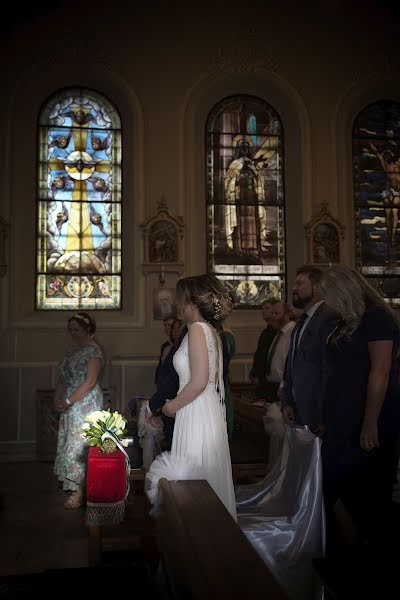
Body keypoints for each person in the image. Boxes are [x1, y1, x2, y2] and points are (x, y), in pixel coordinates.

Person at [318, 265, 400, 555]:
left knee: (365, 491)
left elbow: (380, 372)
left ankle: (370, 551)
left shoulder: (377, 318)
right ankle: (350, 551)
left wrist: (370, 422)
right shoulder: (343, 321)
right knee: (331, 484)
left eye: (328, 294)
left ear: (345, 292)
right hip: (341, 415)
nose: (325, 301)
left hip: (368, 413)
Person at [146, 274, 237, 519]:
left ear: (193, 302)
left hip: (195, 409)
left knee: (195, 478)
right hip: (201, 408)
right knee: (198, 474)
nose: (177, 304)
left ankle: (199, 538)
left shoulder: (197, 329)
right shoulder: (210, 330)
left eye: (180, 298)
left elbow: (198, 381)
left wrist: (171, 406)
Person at [53, 312, 104, 509]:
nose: (73, 333)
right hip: (69, 403)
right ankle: (72, 486)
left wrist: (68, 400)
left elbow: (90, 382)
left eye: (77, 329)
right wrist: (58, 398)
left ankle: (81, 490)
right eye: (71, 329)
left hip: (85, 402)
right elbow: (63, 378)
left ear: (88, 329)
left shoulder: (93, 351)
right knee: (69, 444)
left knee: (80, 445)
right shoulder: (71, 351)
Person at [281, 265, 337, 433]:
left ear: (318, 286)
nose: (293, 288)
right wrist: (287, 402)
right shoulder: (300, 323)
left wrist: (322, 415)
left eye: (299, 283)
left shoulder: (328, 319)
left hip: (316, 412)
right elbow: (291, 365)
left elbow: (327, 369)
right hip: (298, 410)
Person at [370, 141, 400, 246]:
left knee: (394, 212)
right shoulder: (385, 165)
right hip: (388, 191)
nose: (385, 157)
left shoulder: (397, 165)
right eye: (385, 156)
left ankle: (393, 235)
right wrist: (373, 147)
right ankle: (389, 234)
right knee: (388, 214)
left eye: (387, 156)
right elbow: (378, 156)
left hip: (396, 191)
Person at [264, 301, 296, 402]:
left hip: (282, 386)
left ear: (287, 315)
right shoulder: (278, 333)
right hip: (272, 386)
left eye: (276, 313)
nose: (273, 317)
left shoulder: (293, 331)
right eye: (272, 313)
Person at [249, 298, 279, 398]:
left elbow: (270, 356)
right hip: (261, 379)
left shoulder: (277, 332)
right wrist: (254, 373)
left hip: (269, 380)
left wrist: (261, 377)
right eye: (262, 308)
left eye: (267, 308)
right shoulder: (266, 332)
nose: (263, 311)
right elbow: (260, 355)